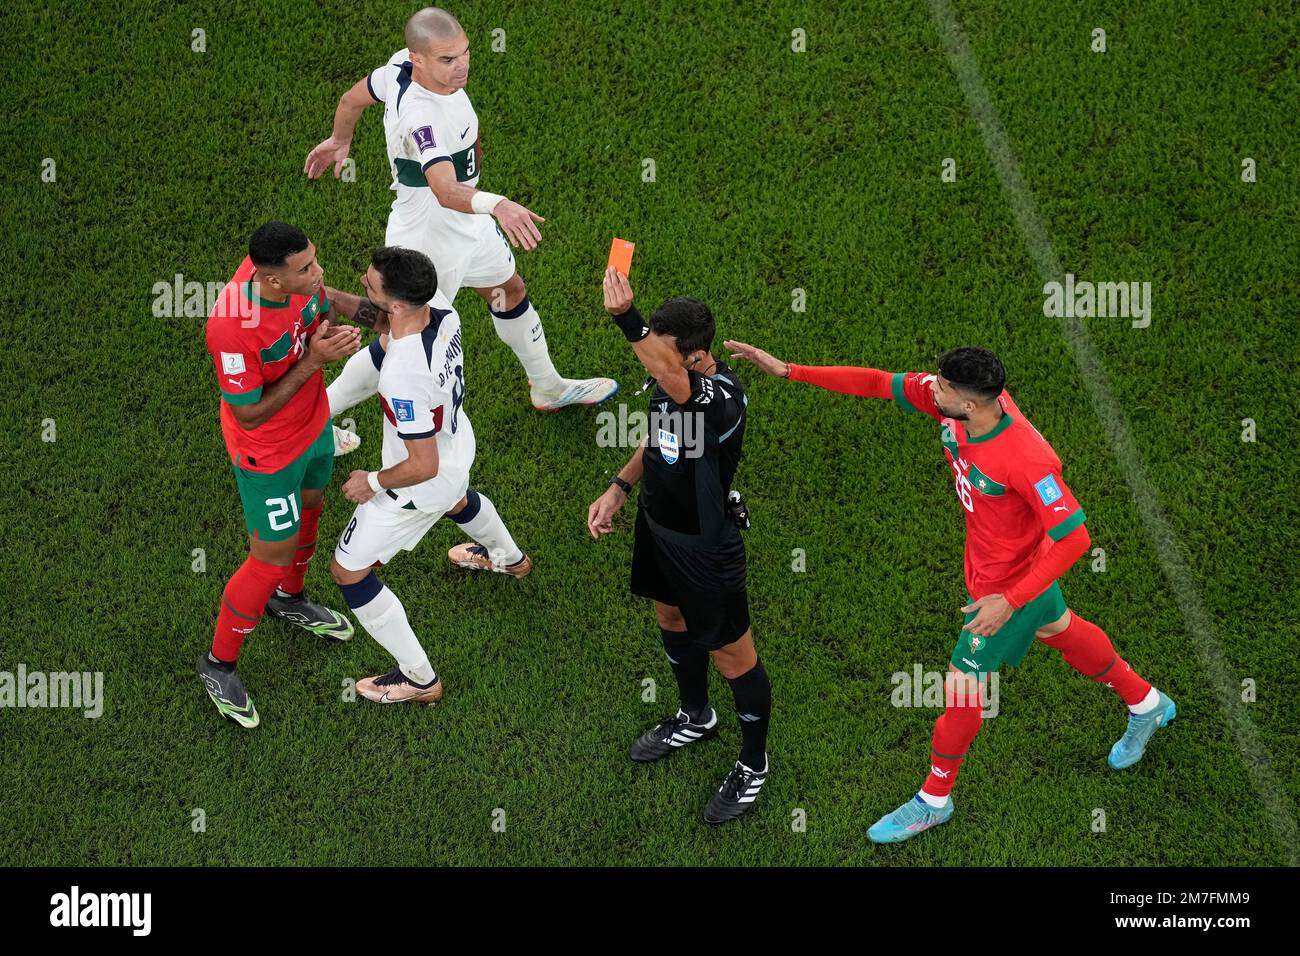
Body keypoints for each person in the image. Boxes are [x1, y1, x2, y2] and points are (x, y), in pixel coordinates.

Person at [725, 339, 1176, 843]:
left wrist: (1009, 600)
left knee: (961, 690)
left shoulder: (1027, 459)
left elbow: (1074, 538)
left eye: (938, 385)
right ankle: (1146, 703)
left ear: (970, 403)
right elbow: (877, 383)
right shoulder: (959, 408)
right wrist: (789, 369)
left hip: (1007, 592)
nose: (928, 387)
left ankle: (934, 799)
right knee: (1062, 630)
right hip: (996, 575)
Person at [305, 6, 617, 412]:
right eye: (448, 59)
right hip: (429, 241)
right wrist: (499, 204)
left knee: (508, 291)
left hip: (466, 225)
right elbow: (445, 189)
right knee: (397, 339)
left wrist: (339, 139)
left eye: (465, 52)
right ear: (419, 58)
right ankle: (316, 417)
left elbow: (352, 99)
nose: (462, 66)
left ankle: (548, 388)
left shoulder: (400, 66)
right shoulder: (423, 117)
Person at [587, 268, 772, 825]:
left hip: (705, 548)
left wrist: (626, 318)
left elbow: (678, 392)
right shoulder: (672, 386)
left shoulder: (721, 399)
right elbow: (661, 437)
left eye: (662, 357)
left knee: (732, 655)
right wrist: (619, 488)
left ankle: (754, 764)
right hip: (658, 528)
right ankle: (696, 714)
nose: (653, 366)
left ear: (694, 356)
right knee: (669, 618)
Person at [328, 246, 531, 705]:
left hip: (420, 481)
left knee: (347, 572)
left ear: (398, 303)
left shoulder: (403, 375)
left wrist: (373, 482)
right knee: (458, 499)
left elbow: (422, 465)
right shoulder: (439, 307)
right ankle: (508, 558)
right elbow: (383, 323)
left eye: (371, 281)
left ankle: (419, 679)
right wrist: (328, 297)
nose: (364, 279)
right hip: (457, 444)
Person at [199, 221, 372, 728]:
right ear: (274, 281)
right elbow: (249, 413)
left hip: (314, 427)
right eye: (307, 268)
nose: (318, 272)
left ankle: (289, 600)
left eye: (315, 260)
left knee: (314, 509)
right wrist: (316, 359)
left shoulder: (297, 282)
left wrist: (370, 317)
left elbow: (323, 298)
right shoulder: (232, 326)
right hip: (268, 455)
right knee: (268, 559)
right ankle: (218, 663)